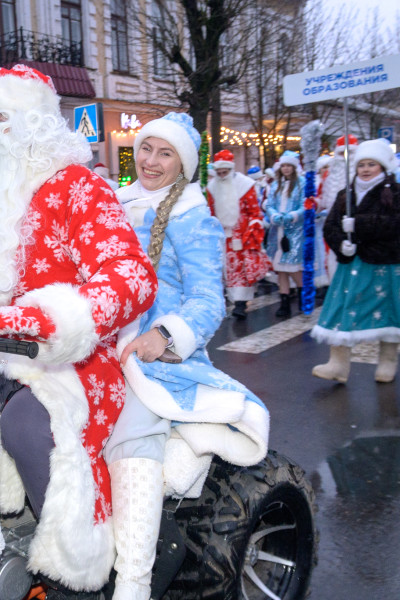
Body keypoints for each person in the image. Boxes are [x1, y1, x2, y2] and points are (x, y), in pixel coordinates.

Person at [0, 64, 157, 599]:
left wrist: (57, 320)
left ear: (32, 124)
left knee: (29, 426)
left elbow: (130, 277)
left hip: (72, 362)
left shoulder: (78, 188)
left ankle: (77, 577)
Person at [106, 112, 268, 600]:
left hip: (155, 356)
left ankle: (132, 584)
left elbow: (207, 300)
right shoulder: (116, 202)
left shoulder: (193, 216)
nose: (151, 162)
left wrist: (163, 336)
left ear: (184, 163)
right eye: (146, 149)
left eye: (165, 152)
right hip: (97, 341)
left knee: (132, 442)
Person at [311, 139, 400, 383]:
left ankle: (388, 359)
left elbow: (397, 223)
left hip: (384, 262)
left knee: (389, 311)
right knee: (340, 309)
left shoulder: (397, 192)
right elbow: (332, 226)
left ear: (383, 166)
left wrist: (358, 224)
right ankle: (338, 364)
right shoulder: (346, 194)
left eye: (371, 164)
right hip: (351, 262)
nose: (365, 169)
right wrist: (340, 245)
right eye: (361, 165)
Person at [206, 151, 271, 318]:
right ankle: (229, 299)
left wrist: (252, 230)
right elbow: (211, 211)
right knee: (225, 270)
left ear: (231, 170)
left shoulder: (245, 185)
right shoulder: (212, 187)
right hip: (221, 236)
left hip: (241, 235)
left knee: (240, 270)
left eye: (224, 172)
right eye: (219, 173)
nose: (221, 176)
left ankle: (240, 304)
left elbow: (254, 211)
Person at [264, 151, 306, 318]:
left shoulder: (302, 183)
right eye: (283, 166)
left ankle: (304, 296)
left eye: (289, 165)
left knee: (293, 267)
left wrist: (293, 216)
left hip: (294, 232)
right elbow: (269, 204)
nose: (286, 169)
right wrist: (274, 215)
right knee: (280, 269)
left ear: (294, 167)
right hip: (278, 231)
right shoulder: (276, 184)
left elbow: (305, 204)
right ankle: (284, 303)